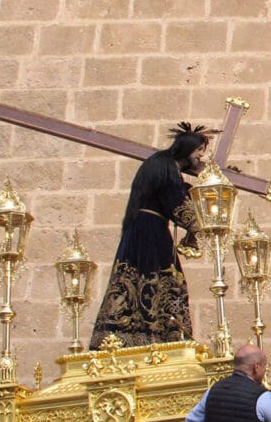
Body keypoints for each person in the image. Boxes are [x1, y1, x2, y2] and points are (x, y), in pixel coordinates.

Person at [91, 122, 215, 348]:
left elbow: (175, 194)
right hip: (152, 233)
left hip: (141, 230)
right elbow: (179, 207)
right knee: (160, 280)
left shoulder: (160, 164)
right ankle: (157, 335)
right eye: (198, 151)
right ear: (188, 149)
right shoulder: (168, 169)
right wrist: (201, 223)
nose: (200, 156)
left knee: (136, 278)